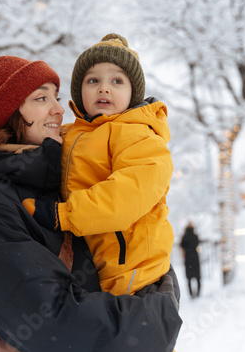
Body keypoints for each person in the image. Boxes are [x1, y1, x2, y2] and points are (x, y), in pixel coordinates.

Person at [0, 55, 182, 352]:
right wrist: (157, 318)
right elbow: (54, 322)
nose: (60, 109)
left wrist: (157, 278)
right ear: (7, 113)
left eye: (57, 96)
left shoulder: (49, 185)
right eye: (41, 98)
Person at [24, 33, 176, 297]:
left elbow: (127, 195)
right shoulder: (69, 134)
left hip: (131, 270)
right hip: (88, 263)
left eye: (117, 81)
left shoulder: (141, 136)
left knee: (115, 330)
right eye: (93, 80)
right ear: (79, 92)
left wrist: (64, 215)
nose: (104, 88)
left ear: (133, 93)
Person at [181, 222, 201, 298]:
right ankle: (198, 294)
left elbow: (182, 247)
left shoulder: (184, 237)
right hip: (195, 259)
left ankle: (191, 294)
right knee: (198, 278)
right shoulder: (195, 236)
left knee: (189, 278)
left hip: (188, 259)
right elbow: (198, 245)